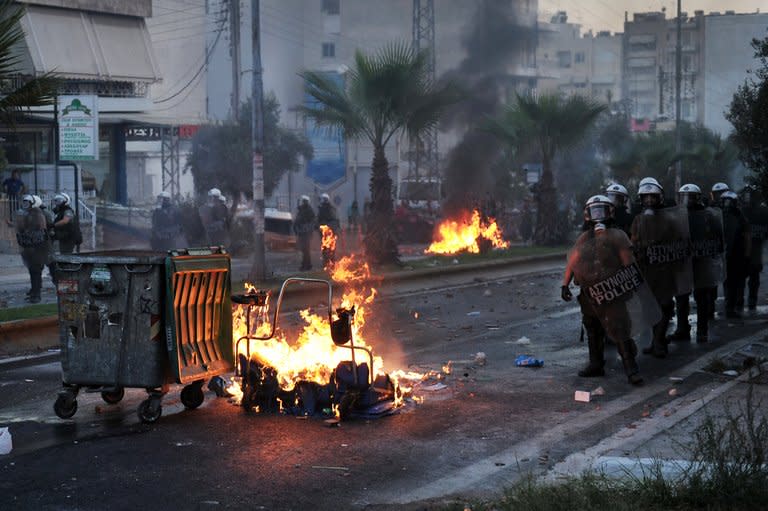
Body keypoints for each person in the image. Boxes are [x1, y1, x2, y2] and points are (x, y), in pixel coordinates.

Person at [561, 195, 652, 385]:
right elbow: (573, 262)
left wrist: (631, 282)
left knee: (620, 328)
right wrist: (565, 284)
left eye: (601, 210)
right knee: (592, 328)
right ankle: (596, 364)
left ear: (610, 212)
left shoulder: (617, 235)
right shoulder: (584, 238)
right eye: (594, 211)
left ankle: (631, 368)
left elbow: (628, 261)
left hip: (613, 290)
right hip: (591, 293)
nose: (598, 215)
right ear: (587, 214)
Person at [631, 177, 693, 358]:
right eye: (646, 197)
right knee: (650, 308)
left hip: (665, 271)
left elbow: (681, 244)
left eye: (653, 197)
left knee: (664, 306)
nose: (649, 200)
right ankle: (655, 341)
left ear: (660, 198)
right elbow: (634, 243)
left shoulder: (671, 218)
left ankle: (659, 342)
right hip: (647, 271)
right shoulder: (638, 220)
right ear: (641, 199)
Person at [668, 184, 724, 343]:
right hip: (683, 260)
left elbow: (718, 238)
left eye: (690, 196)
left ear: (697, 197)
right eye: (683, 197)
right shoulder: (677, 216)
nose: (686, 200)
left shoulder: (708, 215)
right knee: (681, 296)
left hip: (702, 260)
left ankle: (702, 330)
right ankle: (682, 329)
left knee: (701, 296)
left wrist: (712, 251)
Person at [721, 191, 751, 318]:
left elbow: (747, 237)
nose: (726, 204)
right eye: (725, 201)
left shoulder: (740, 217)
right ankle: (729, 306)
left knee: (733, 282)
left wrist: (747, 255)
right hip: (723, 253)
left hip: (736, 254)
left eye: (729, 201)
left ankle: (730, 307)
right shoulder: (720, 215)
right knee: (726, 282)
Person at [15, 194, 49, 303]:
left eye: (28, 202)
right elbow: (21, 228)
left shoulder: (39, 215)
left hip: (38, 248)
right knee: (33, 271)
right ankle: (34, 291)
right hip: (29, 247)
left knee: (36, 271)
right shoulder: (26, 214)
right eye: (24, 202)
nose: (25, 205)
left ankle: (36, 295)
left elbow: (41, 231)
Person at [739, 186, 768, 312]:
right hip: (746, 248)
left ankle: (747, 301)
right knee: (745, 277)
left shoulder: (761, 211)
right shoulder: (741, 211)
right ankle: (745, 301)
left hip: (753, 248)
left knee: (750, 277)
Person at [294, 195, 315, 271]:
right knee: (304, 250)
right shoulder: (301, 210)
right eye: (303, 201)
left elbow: (312, 222)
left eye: (304, 201)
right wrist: (296, 228)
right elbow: (297, 220)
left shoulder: (309, 210)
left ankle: (306, 265)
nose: (303, 202)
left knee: (306, 250)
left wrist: (307, 230)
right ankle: (306, 264)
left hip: (306, 232)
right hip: (301, 232)